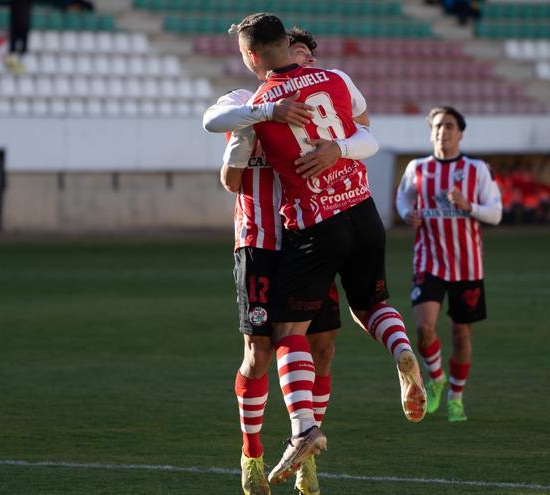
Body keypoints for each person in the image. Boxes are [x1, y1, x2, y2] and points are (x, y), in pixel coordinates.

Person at [217, 12, 427, 485]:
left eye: (311, 55)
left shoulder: (326, 83)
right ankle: (254, 452)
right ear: (281, 51)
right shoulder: (250, 103)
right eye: (298, 52)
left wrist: (337, 148)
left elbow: (364, 133)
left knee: (321, 345)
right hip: (263, 240)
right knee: (263, 348)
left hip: (309, 234)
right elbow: (228, 172)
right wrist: (258, 122)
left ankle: (305, 446)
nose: (306, 60)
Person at [395, 106, 502, 422]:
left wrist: (470, 206)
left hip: (467, 265)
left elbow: (495, 213)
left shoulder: (476, 169)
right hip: (428, 260)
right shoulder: (417, 167)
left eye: (450, 126)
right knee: (424, 327)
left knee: (461, 335)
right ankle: (438, 378)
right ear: (431, 132)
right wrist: (406, 214)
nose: (444, 131)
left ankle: (456, 395)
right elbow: (403, 198)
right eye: (439, 126)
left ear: (461, 133)